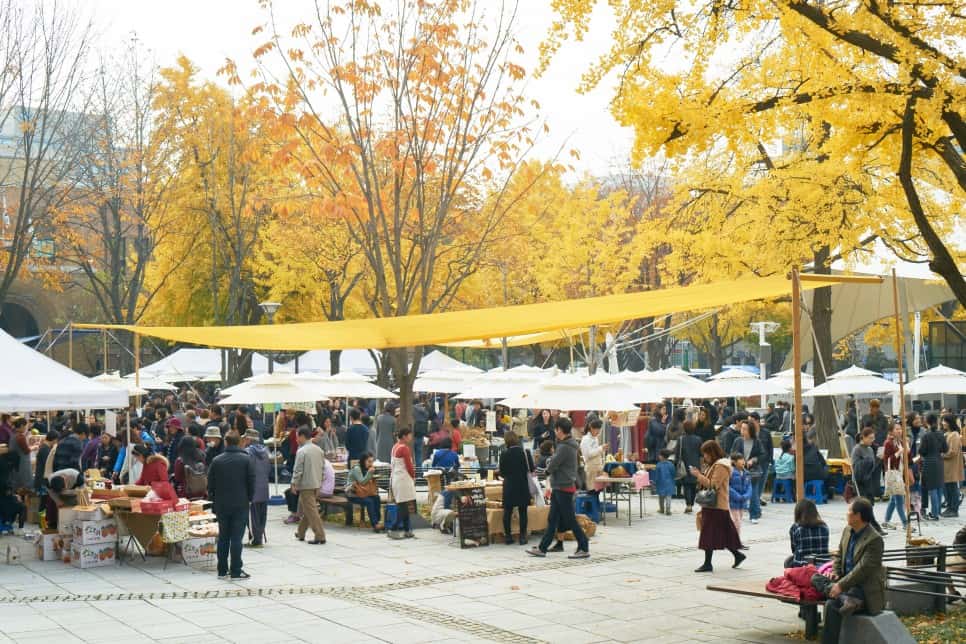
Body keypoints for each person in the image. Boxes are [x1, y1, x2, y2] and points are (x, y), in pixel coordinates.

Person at [814, 498, 886, 644]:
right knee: (815, 577)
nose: (846, 514)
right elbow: (839, 554)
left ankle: (842, 596)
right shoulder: (848, 530)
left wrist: (840, 586)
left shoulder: (875, 540)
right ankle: (843, 598)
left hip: (862, 590)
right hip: (844, 584)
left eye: (849, 511)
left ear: (858, 515)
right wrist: (834, 571)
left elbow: (862, 570)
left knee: (831, 605)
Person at [527, 417, 589, 559]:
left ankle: (584, 546)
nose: (555, 432)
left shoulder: (565, 446)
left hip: (563, 487)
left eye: (556, 429)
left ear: (560, 430)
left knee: (570, 520)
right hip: (560, 486)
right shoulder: (568, 444)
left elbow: (553, 464)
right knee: (552, 518)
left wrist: (546, 469)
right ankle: (543, 548)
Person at [690, 440, 745, 572]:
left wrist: (698, 476)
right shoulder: (715, 464)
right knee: (726, 534)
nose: (705, 457)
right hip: (715, 506)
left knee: (709, 533)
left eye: (706, 454)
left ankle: (708, 563)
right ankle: (738, 555)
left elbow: (713, 485)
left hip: (716, 505)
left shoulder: (721, 466)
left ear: (712, 452)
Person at [207, 431, 255, 580]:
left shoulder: (217, 460)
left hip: (221, 503)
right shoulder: (246, 460)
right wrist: (250, 498)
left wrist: (213, 499)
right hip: (240, 503)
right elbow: (251, 481)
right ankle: (236, 570)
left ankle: (222, 570)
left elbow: (210, 484)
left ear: (226, 442)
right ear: (238, 442)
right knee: (236, 538)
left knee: (223, 537)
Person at [291, 427, 327, 545]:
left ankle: (320, 535)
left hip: (306, 484)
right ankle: (301, 532)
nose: (296, 439)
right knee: (308, 509)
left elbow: (298, 470)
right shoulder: (319, 450)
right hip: (316, 483)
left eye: (297, 436)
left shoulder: (302, 451)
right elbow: (323, 468)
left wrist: (294, 483)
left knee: (311, 510)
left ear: (302, 436)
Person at [499, 431, 534, 545]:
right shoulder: (525, 452)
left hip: (509, 485)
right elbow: (532, 468)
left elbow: (502, 473)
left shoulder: (504, 454)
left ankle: (508, 537)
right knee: (523, 511)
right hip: (522, 485)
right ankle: (523, 536)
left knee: (507, 511)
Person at [850, 428, 885, 535]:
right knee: (864, 506)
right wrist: (868, 461)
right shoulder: (857, 449)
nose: (872, 440)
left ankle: (871, 527)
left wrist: (878, 459)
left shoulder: (870, 449)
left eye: (873, 438)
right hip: (859, 481)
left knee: (869, 505)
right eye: (870, 438)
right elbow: (856, 467)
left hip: (868, 480)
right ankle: (874, 527)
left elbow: (872, 467)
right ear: (863, 437)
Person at [389, 427, 417, 540]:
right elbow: (409, 466)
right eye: (410, 435)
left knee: (403, 505)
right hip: (403, 479)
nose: (411, 437)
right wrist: (413, 477)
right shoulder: (404, 449)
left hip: (396, 477)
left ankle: (407, 529)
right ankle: (393, 528)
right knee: (402, 507)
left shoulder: (395, 446)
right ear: (405, 436)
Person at [243, 428, 271, 546]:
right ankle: (258, 536)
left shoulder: (247, 452)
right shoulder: (265, 451)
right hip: (264, 487)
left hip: (252, 488)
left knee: (251, 515)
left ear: (248, 439)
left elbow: (245, 471)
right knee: (261, 514)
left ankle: (256, 539)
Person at [735, 419, 764, 524]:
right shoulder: (738, 440)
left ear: (750, 430)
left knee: (753, 492)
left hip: (753, 471)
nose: (742, 431)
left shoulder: (757, 441)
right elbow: (732, 453)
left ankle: (754, 514)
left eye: (745, 429)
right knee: (738, 491)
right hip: (739, 470)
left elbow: (762, 454)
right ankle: (737, 512)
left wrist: (754, 460)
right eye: (741, 428)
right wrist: (739, 460)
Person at [918, 413, 946, 520]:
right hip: (939, 461)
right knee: (939, 487)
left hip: (929, 463)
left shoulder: (926, 435)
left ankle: (934, 514)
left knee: (932, 489)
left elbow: (921, 451)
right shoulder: (941, 434)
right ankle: (937, 511)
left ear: (927, 422)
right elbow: (945, 449)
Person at [786, 499, 830, 568]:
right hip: (822, 564)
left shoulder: (796, 528)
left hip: (802, 566)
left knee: (788, 562)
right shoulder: (824, 527)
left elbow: (794, 549)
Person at [346, 452, 383, 532]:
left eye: (372, 461)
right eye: (369, 461)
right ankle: (375, 524)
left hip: (363, 492)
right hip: (353, 494)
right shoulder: (357, 468)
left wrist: (372, 475)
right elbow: (362, 481)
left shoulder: (366, 468)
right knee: (369, 501)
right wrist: (370, 473)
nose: (371, 464)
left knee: (376, 498)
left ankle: (378, 521)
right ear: (363, 461)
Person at [882, 423, 909, 530]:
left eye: (900, 429)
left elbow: (907, 458)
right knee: (899, 499)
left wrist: (907, 449)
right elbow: (887, 460)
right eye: (897, 429)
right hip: (894, 473)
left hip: (900, 472)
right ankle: (905, 523)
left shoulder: (900, 442)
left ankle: (886, 521)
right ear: (891, 431)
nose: (899, 431)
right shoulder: (888, 443)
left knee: (894, 499)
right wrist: (898, 452)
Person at [679, 420, 704, 514]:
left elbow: (678, 453)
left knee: (686, 485)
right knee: (693, 485)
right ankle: (691, 503)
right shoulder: (698, 439)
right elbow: (701, 454)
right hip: (696, 464)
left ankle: (688, 504)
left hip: (684, 464)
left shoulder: (681, 439)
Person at [940, 414, 962, 518]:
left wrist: (942, 455)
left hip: (951, 466)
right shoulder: (946, 433)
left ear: (950, 422)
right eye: (942, 421)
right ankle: (950, 507)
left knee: (952, 487)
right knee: (947, 487)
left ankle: (953, 508)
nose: (943, 423)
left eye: (945, 421)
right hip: (946, 466)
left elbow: (953, 451)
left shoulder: (954, 435)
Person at [173, 435, 208, 500]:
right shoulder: (201, 456)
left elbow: (178, 478)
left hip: (186, 493)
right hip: (201, 491)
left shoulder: (180, 460)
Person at [7, 418, 34, 492]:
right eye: (25, 426)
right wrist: (34, 447)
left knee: (16, 483)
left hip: (15, 463)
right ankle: (25, 500)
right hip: (22, 463)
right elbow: (26, 451)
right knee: (25, 485)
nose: (25, 428)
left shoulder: (13, 434)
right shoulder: (20, 437)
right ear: (22, 426)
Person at [580, 419, 606, 496]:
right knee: (592, 490)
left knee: (598, 490)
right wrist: (600, 448)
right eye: (597, 429)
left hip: (598, 467)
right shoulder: (585, 439)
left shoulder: (595, 438)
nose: (598, 432)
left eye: (599, 429)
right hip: (591, 469)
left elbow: (596, 452)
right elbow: (588, 454)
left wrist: (601, 450)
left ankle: (596, 506)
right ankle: (591, 507)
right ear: (591, 428)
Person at [728, 452, 752, 536]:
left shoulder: (746, 473)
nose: (743, 461)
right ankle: (735, 541)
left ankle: (736, 541)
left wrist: (746, 496)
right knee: (736, 521)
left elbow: (749, 486)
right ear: (734, 462)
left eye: (743, 459)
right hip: (733, 501)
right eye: (740, 459)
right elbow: (727, 487)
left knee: (739, 521)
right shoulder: (730, 472)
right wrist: (737, 496)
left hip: (742, 502)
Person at [654, 448, 676, 515]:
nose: (659, 456)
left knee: (661, 497)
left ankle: (662, 509)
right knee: (668, 496)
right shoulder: (671, 464)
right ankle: (668, 510)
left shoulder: (658, 465)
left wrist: (655, 482)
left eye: (659, 455)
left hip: (661, 483)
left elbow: (657, 475)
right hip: (670, 482)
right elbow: (673, 473)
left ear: (662, 456)